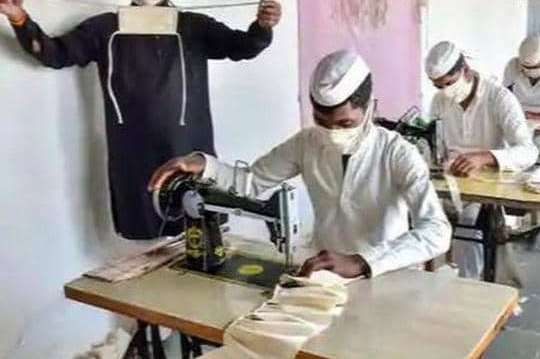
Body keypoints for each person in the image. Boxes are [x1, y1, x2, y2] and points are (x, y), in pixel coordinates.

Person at [0, 0, 282, 240]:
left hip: (189, 149)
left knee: (201, 232)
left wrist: (263, 26)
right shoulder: (104, 28)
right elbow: (54, 53)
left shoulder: (194, 26)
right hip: (133, 154)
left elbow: (243, 47)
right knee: (146, 241)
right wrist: (18, 17)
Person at [149, 50, 452, 278]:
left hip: (387, 276)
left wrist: (363, 262)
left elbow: (436, 231)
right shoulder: (307, 143)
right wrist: (205, 165)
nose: (332, 132)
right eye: (322, 122)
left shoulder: (397, 154)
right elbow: (252, 183)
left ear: (370, 107)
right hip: (325, 273)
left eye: (345, 123)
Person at [426, 41, 538, 285]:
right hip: (452, 180)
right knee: (417, 215)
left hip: (486, 183)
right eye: (438, 86)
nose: (444, 91)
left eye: (448, 83)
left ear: (465, 70)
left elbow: (529, 151)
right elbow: (435, 143)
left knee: (468, 226)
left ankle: (471, 287)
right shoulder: (439, 102)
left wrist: (485, 156)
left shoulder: (499, 98)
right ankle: (430, 282)